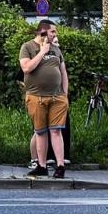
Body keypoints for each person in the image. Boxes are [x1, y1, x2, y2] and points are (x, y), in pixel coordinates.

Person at [19, 20, 70, 179]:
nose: (55, 35)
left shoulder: (56, 50)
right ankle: (41, 165)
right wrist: (42, 52)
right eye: (52, 32)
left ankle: (60, 165)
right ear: (42, 32)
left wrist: (65, 94)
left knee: (56, 130)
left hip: (56, 97)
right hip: (36, 96)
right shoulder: (27, 47)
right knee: (40, 132)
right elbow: (26, 68)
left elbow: (63, 72)